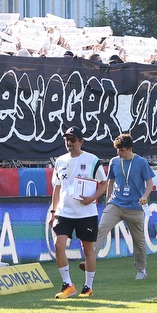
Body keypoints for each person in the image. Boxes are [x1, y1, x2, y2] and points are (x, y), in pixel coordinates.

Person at [81, 133, 155, 280]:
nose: (118, 153)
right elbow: (110, 182)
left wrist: (144, 197)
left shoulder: (141, 162)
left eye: (121, 150)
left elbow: (150, 184)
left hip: (134, 207)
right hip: (115, 204)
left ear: (130, 149)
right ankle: (89, 261)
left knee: (138, 241)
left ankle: (141, 270)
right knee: (100, 230)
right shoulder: (114, 162)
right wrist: (108, 201)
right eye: (117, 150)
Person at [49, 126, 108, 299]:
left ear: (81, 142)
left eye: (73, 140)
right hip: (64, 212)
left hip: (86, 213)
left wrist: (92, 198)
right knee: (58, 245)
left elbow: (103, 183)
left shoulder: (92, 159)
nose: (69, 143)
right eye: (67, 139)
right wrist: (53, 211)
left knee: (88, 250)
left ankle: (88, 287)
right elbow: (57, 187)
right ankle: (68, 285)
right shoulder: (59, 161)